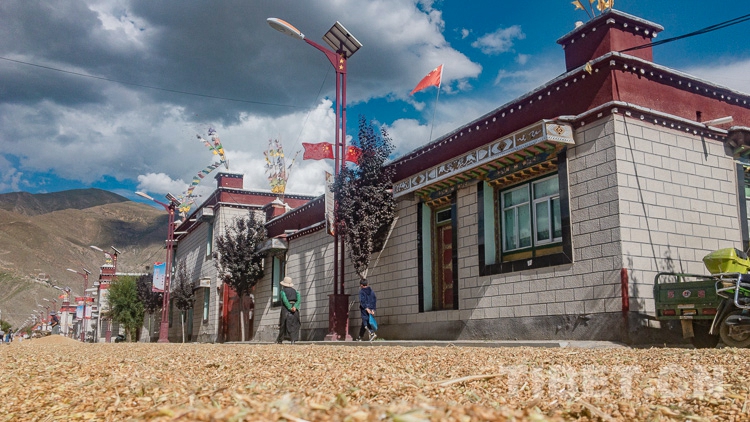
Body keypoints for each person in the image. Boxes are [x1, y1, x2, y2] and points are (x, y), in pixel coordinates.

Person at [276, 276, 301, 344]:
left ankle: (280, 340)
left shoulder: (282, 291)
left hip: (286, 309)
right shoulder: (296, 291)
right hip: (295, 309)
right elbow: (299, 299)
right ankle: (293, 339)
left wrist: (290, 307)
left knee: (283, 324)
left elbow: (285, 300)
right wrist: (295, 307)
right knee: (294, 324)